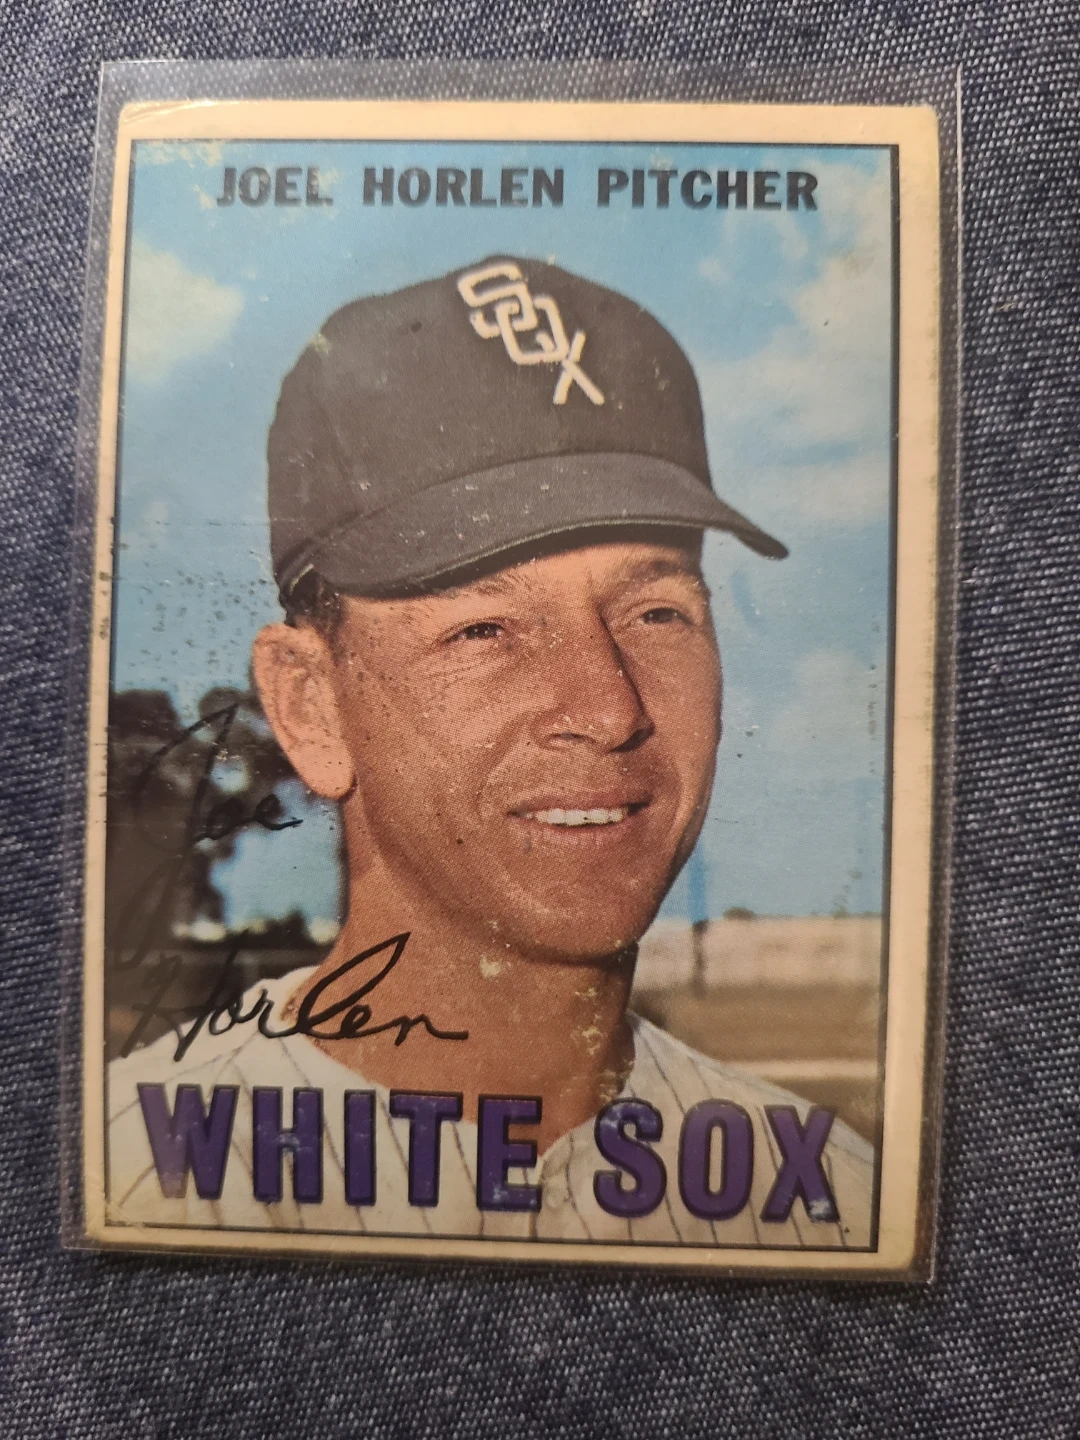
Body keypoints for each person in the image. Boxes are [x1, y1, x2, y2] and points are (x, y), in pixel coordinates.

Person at [108, 257, 873, 1249]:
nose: (609, 709)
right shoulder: (133, 1179)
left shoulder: (829, 1199)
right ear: (310, 706)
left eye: (656, 612)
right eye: (484, 630)